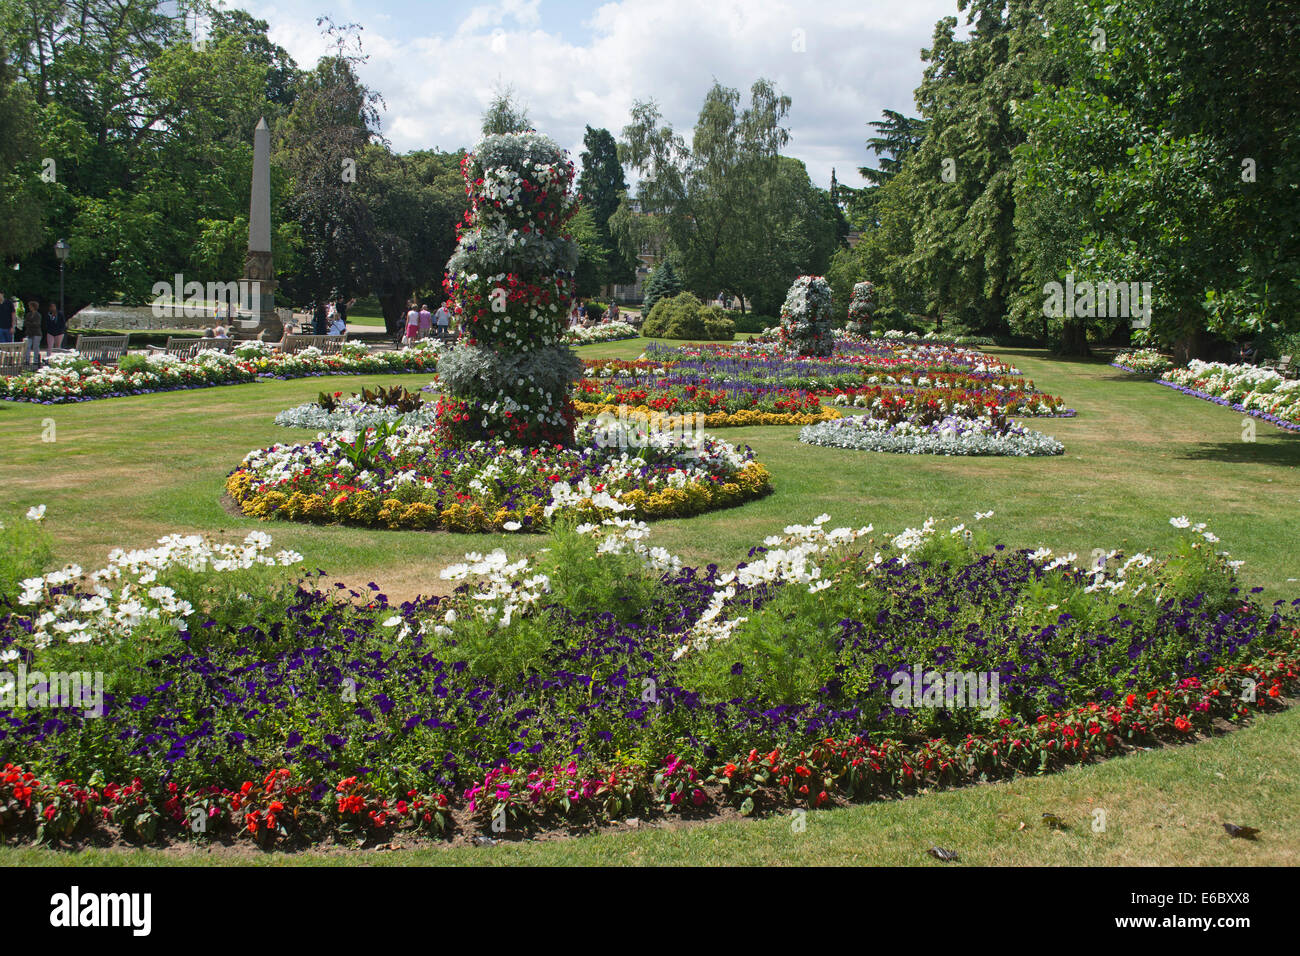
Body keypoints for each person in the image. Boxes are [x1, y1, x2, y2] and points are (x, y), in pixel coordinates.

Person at [22, 300, 42, 365]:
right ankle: (27, 360)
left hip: (36, 333)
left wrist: (29, 323)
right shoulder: (28, 314)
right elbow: (25, 323)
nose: (29, 307)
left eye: (30, 306)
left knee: (36, 347)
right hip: (29, 333)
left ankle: (36, 361)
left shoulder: (38, 315)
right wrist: (31, 323)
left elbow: (37, 324)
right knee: (27, 347)